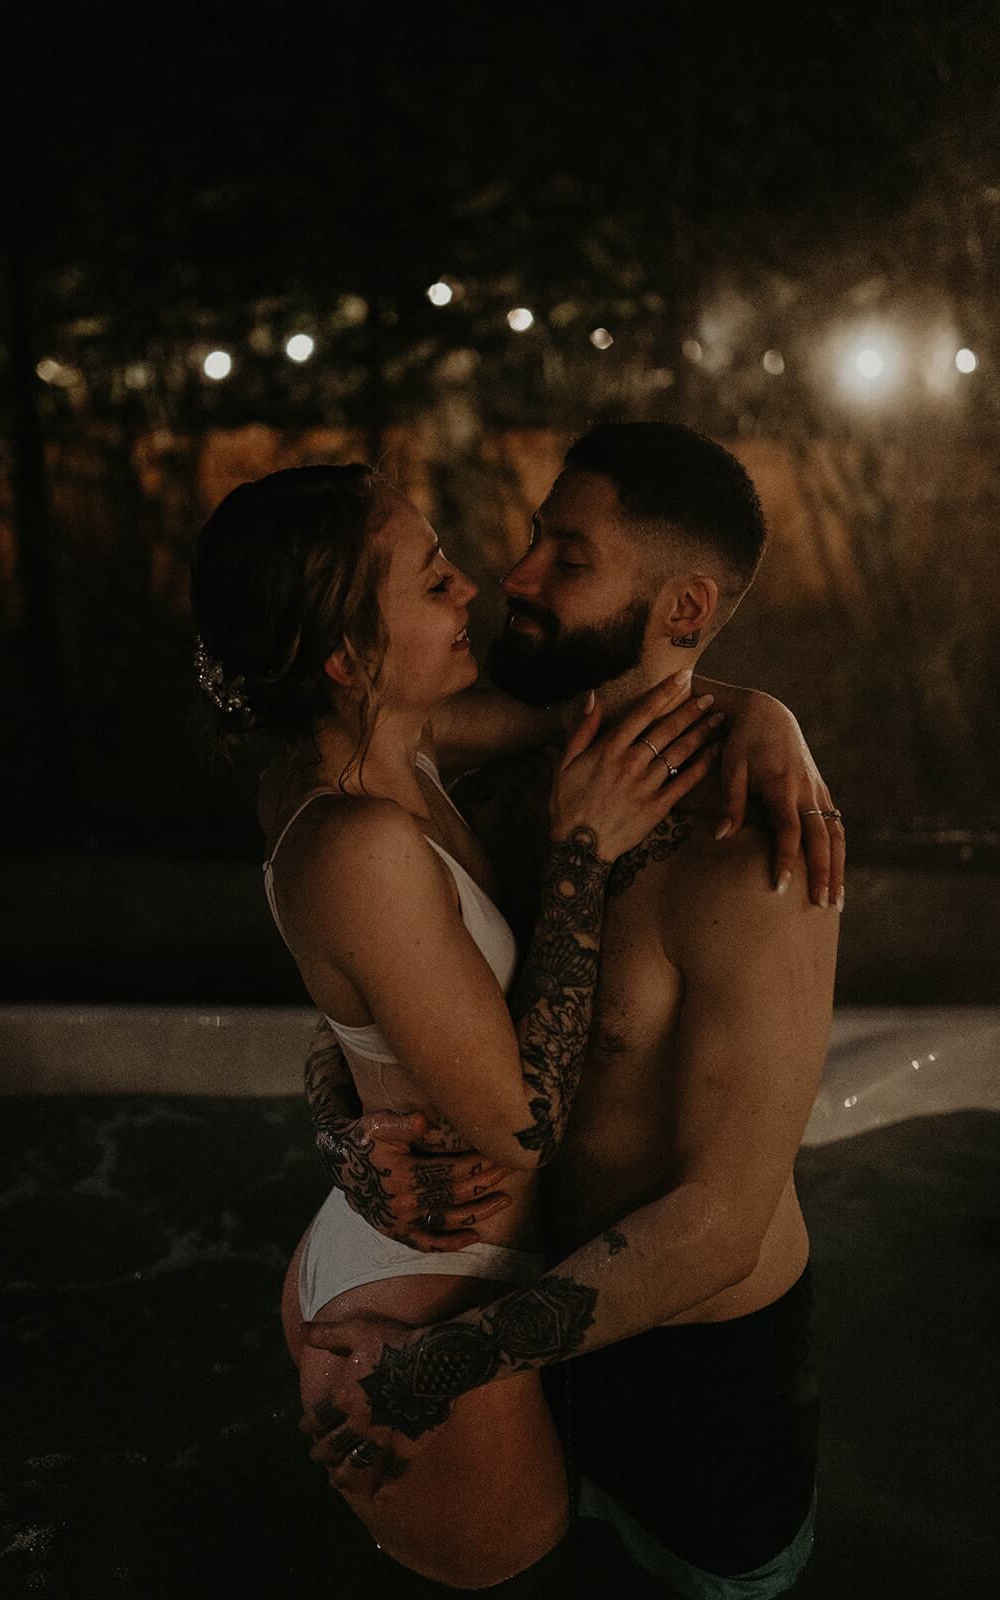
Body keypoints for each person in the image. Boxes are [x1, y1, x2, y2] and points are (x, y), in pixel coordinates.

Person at [299, 424, 842, 1598]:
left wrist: (444, 1364)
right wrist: (344, 1118)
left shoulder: (753, 854)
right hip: (511, 1299)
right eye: (537, 536)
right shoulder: (499, 775)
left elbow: (719, 1218)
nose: (515, 576)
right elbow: (398, 1007)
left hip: (695, 1368)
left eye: (568, 556)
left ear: (682, 606)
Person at [190, 461, 732, 1588]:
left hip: (411, 1250)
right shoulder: (354, 841)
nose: (471, 587)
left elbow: (599, 702)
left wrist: (764, 720)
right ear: (346, 657)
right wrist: (579, 849)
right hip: (417, 1314)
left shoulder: (391, 744)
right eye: (434, 581)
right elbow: (521, 1126)